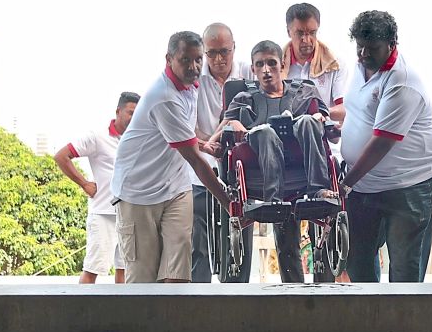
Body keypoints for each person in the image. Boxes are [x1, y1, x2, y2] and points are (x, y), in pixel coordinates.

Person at [111, 31, 231, 284]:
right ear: (169, 59)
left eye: (198, 59)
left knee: (178, 274)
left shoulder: (192, 85)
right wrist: (229, 205)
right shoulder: (163, 97)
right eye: (185, 60)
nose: (194, 66)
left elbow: (179, 135)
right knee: (144, 279)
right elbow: (195, 162)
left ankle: (174, 323)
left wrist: (205, 146)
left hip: (176, 188)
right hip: (138, 192)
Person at [339, 11, 432, 283]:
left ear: (391, 44)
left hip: (406, 187)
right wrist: (327, 118)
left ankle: (402, 326)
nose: (363, 54)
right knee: (357, 263)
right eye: (359, 46)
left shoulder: (403, 80)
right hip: (365, 186)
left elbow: (381, 142)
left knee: (404, 273)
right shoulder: (361, 66)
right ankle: (370, 324)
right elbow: (358, 110)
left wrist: (345, 184)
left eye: (372, 48)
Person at [219, 41, 335, 283]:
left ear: (282, 65)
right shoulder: (244, 97)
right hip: (262, 167)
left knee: (308, 122)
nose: (266, 70)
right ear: (253, 68)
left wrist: (318, 117)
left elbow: (325, 117)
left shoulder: (304, 91)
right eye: (259, 64)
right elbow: (226, 124)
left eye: (271, 63)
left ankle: (319, 189)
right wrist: (235, 124)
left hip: (301, 166)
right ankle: (274, 201)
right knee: (265, 131)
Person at [53, 92, 139, 284]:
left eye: (137, 113)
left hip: (129, 214)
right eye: (130, 112)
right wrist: (84, 183)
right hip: (103, 215)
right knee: (93, 269)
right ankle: (80, 313)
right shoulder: (97, 137)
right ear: (118, 111)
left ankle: (123, 314)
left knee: (124, 272)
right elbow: (61, 156)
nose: (134, 118)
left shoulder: (136, 140)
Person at [192, 23, 251, 283]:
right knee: (198, 240)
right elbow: (184, 123)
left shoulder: (249, 72)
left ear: (234, 48)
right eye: (212, 53)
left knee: (240, 236)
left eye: (224, 52)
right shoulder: (193, 76)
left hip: (240, 172)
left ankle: (239, 294)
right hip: (200, 167)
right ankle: (199, 298)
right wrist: (206, 144)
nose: (218, 59)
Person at [283, 3, 348, 121]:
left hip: (319, 135)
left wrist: (320, 113)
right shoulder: (275, 66)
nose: (306, 40)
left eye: (312, 33)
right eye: (300, 33)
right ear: (288, 32)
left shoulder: (334, 65)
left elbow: (345, 109)